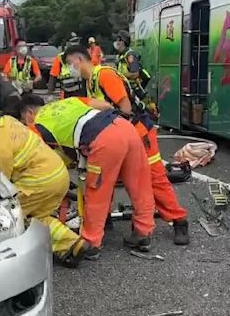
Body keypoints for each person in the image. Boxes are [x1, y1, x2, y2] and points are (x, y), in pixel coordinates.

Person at [63, 45, 190, 245]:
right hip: (122, 134)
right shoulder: (91, 81)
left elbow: (126, 108)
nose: (69, 69)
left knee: (154, 178)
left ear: (79, 60)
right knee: (106, 177)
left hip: (139, 133)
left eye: (70, 64)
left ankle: (179, 220)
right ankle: (103, 221)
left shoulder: (104, 75)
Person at [0, 91, 88, 268]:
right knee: (36, 216)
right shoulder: (5, 121)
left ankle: (1, 259)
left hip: (39, 182)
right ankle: (73, 245)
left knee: (7, 214)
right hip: (55, 175)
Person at [18, 94, 156, 260]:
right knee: (139, 184)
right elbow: (106, 105)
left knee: (97, 192)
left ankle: (92, 242)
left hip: (104, 140)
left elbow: (40, 161)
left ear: (28, 115)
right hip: (125, 127)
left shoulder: (36, 127)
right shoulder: (69, 102)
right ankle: (143, 233)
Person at [47, 34, 86, 99]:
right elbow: (53, 76)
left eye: (77, 41)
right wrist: (50, 93)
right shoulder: (60, 58)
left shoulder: (83, 55)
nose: (76, 43)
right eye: (73, 41)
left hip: (82, 92)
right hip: (66, 94)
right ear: (67, 43)